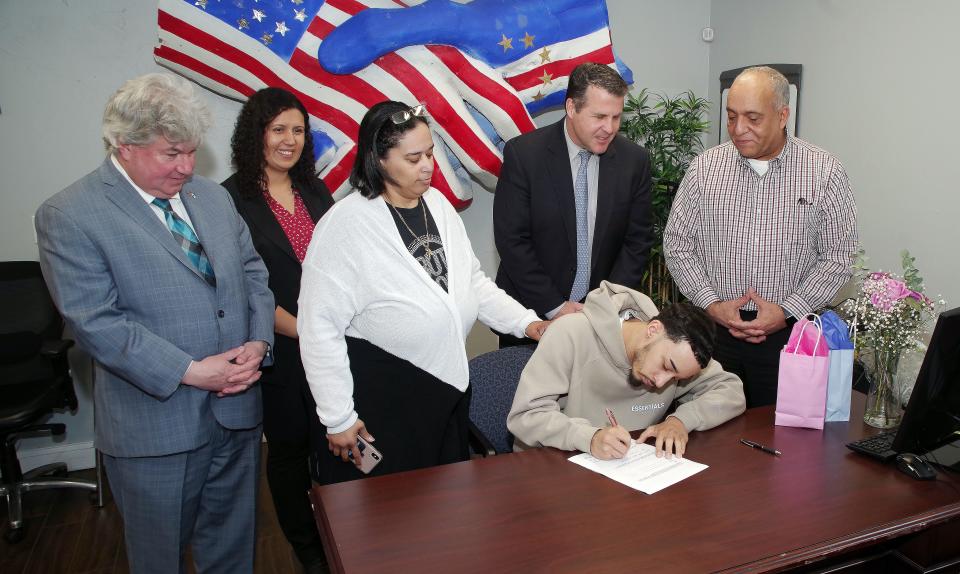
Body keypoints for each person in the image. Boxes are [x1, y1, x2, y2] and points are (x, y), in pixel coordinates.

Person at [35, 73, 274, 574]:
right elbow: (97, 322)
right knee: (158, 559)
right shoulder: (70, 214)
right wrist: (192, 371)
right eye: (171, 154)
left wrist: (257, 340)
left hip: (237, 411)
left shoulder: (212, 197)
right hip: (155, 427)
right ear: (124, 145)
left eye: (191, 151)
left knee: (233, 550)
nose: (186, 167)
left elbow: (253, 274)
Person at [298, 101, 548, 483]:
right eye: (413, 158)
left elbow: (473, 283)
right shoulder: (344, 225)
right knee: (390, 514)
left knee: (444, 506)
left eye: (430, 153)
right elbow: (319, 328)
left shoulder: (438, 205)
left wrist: (528, 324)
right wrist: (338, 417)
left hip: (445, 389)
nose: (428, 166)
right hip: (383, 393)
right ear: (379, 160)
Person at [663, 66, 858, 408]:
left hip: (790, 338)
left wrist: (786, 311)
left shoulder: (824, 171)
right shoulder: (705, 169)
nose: (739, 129)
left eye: (753, 118)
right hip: (714, 334)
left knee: (783, 442)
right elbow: (679, 245)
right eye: (732, 117)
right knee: (711, 440)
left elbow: (838, 256)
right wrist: (711, 304)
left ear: (783, 115)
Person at [222, 87, 334, 573]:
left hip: (332, 344)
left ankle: (342, 538)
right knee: (289, 454)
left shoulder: (316, 191)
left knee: (335, 444)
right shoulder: (230, 200)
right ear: (256, 135)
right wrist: (306, 331)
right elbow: (245, 290)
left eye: (298, 130)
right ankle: (308, 549)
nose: (289, 140)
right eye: (278, 129)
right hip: (283, 350)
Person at [493, 62, 653, 346]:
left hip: (601, 322)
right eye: (599, 116)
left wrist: (606, 304)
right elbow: (512, 241)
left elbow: (637, 241)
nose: (609, 128)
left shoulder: (634, 161)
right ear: (571, 108)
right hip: (533, 317)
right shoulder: (525, 155)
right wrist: (556, 306)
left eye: (616, 117)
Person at [508, 281, 746, 459]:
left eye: (676, 378)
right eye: (666, 366)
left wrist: (681, 421)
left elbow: (731, 390)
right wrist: (588, 437)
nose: (662, 382)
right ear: (653, 330)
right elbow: (526, 417)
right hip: (552, 463)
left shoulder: (680, 357)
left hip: (627, 467)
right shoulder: (570, 333)